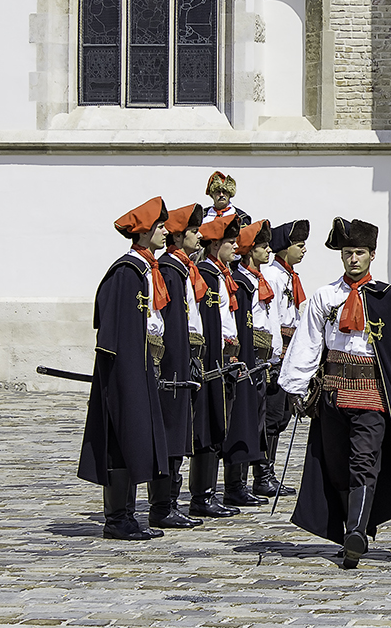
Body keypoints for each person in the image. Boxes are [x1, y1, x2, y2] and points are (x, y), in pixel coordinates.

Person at [279, 218, 391, 569]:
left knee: (364, 463)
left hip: (372, 396)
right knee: (337, 467)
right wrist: (295, 386)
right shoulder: (326, 296)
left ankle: (356, 534)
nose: (353, 259)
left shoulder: (389, 298)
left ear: (372, 255)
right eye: (348, 253)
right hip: (333, 393)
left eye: (360, 253)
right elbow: (308, 341)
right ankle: (351, 528)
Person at [77, 197, 170, 540]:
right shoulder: (125, 273)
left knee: (133, 439)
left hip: (140, 367)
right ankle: (117, 519)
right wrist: (123, 379)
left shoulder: (145, 271)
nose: (165, 232)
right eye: (160, 227)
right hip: (124, 372)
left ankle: (127, 515)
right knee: (120, 439)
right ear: (145, 232)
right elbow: (112, 334)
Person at [149, 203, 207, 530]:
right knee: (171, 430)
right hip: (172, 364)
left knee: (180, 429)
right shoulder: (170, 269)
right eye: (194, 232)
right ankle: (162, 506)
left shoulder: (182, 267)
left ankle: (169, 501)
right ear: (180, 235)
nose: (199, 236)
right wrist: (177, 362)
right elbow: (170, 323)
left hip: (184, 359)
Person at [192, 214, 243, 518]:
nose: (236, 246)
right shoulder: (208, 275)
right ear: (215, 244)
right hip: (213, 358)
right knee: (209, 424)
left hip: (227, 357)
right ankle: (202, 496)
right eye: (230, 242)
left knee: (219, 423)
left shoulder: (222, 274)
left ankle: (207, 493)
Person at [256, 219, 310, 497]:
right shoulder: (274, 277)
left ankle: (268, 471)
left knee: (281, 416)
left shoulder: (288, 275)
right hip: (279, 351)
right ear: (285, 247)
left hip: (289, 350)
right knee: (272, 416)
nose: (303, 251)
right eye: (299, 245)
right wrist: (278, 355)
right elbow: (273, 318)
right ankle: (263, 474)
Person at [222, 219, 273, 507]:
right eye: (262, 247)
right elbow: (244, 325)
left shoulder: (256, 280)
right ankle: (235, 485)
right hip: (247, 357)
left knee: (256, 422)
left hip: (261, 359)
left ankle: (246, 481)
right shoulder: (241, 281)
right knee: (241, 422)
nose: (267, 251)